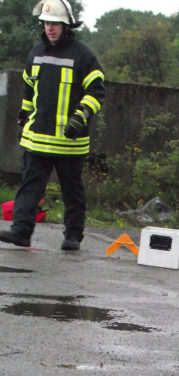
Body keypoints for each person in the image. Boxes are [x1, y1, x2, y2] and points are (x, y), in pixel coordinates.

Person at [0, 0, 105, 252]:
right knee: (29, 187)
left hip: (69, 141)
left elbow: (96, 90)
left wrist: (80, 117)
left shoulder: (84, 56)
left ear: (66, 25)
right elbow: (29, 89)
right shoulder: (35, 52)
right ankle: (21, 232)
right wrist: (24, 114)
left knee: (72, 191)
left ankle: (73, 236)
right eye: (47, 23)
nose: (50, 28)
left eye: (55, 24)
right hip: (37, 138)